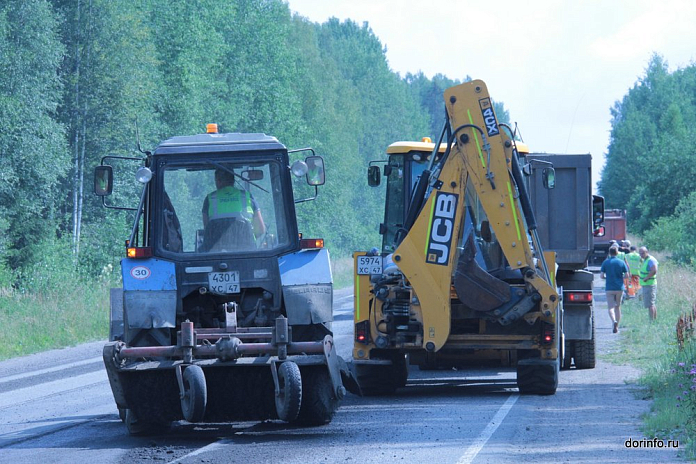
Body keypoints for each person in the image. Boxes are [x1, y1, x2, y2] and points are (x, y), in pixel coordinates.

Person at [202, 169, 266, 250]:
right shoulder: (247, 197)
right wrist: (246, 240)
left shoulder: (210, 199)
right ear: (233, 180)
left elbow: (207, 230)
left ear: (218, 180)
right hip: (247, 255)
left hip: (216, 256)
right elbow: (260, 229)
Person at [600, 246, 629, 333]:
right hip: (619, 287)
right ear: (617, 253)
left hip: (609, 288)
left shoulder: (606, 262)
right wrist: (621, 277)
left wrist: (607, 278)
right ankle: (618, 325)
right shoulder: (621, 262)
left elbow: (601, 276)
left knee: (610, 307)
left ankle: (613, 321)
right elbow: (627, 275)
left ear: (609, 253)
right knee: (618, 306)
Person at [638, 246, 658, 320]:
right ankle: (654, 320)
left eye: (642, 253)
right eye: (640, 253)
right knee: (651, 304)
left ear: (647, 252)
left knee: (650, 305)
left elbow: (654, 270)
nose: (641, 255)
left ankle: (651, 321)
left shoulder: (651, 260)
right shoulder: (645, 260)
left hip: (649, 284)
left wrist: (646, 278)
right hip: (646, 284)